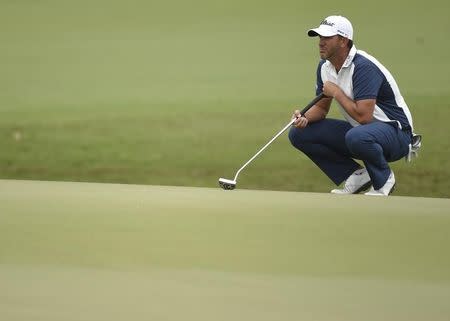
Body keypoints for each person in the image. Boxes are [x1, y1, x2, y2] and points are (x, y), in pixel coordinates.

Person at [289, 15, 419, 196]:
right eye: (320, 37)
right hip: (362, 132)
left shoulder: (363, 67)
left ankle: (383, 180)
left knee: (356, 136)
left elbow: (364, 117)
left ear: (343, 41)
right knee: (299, 133)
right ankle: (357, 175)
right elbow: (321, 108)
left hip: (397, 134)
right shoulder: (325, 67)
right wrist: (303, 117)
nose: (321, 42)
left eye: (327, 38)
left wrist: (336, 92)